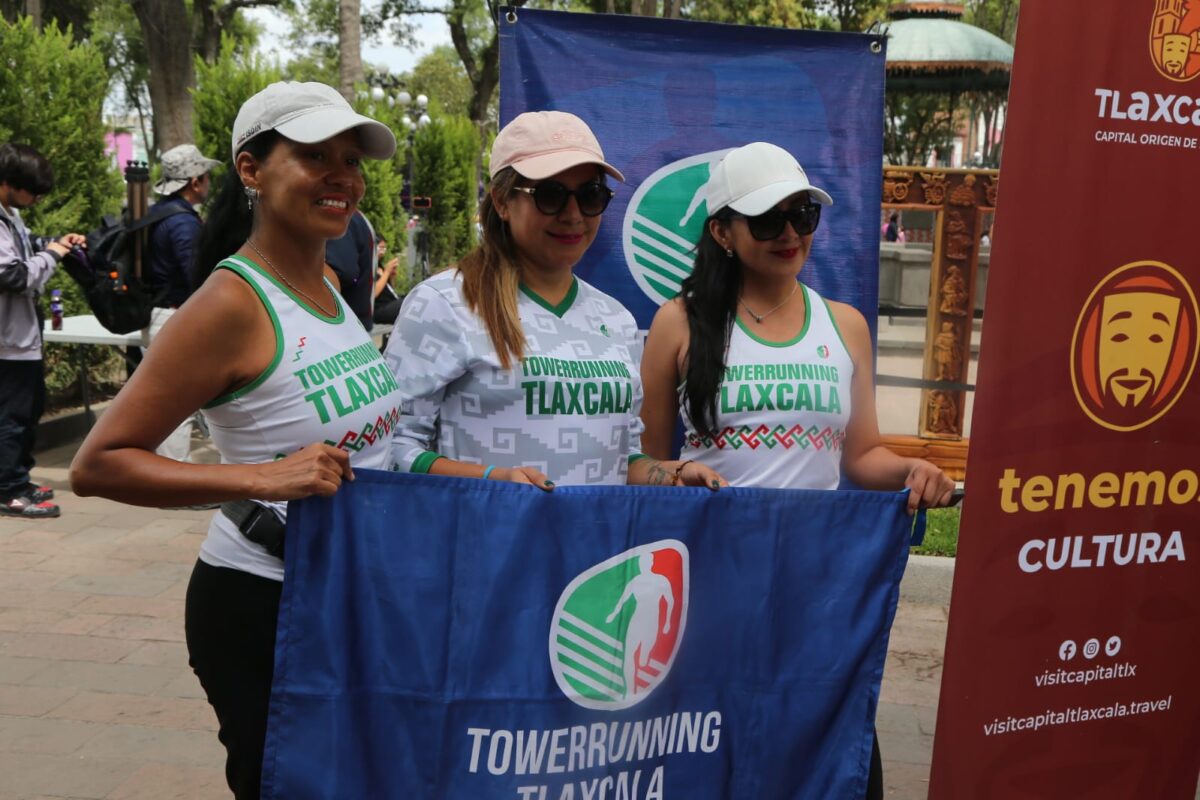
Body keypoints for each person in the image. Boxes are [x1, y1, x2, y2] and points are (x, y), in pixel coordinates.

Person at [69, 81, 398, 799]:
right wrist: (259, 477)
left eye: (351, 158)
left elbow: (367, 445)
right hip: (261, 601)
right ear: (250, 170)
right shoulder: (227, 303)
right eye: (314, 155)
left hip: (345, 589)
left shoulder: (329, 285)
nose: (342, 175)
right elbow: (97, 466)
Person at [638, 142, 956, 800]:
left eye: (802, 215)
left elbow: (862, 456)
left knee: (830, 747)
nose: (789, 234)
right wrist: (673, 477)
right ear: (722, 232)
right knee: (715, 753)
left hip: (819, 591)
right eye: (766, 220)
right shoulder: (676, 325)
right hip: (710, 590)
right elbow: (638, 463)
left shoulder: (845, 326)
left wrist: (913, 472)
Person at [385, 110, 724, 490]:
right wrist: (494, 480)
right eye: (550, 195)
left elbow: (622, 457)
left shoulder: (616, 319)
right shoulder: (443, 303)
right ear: (501, 201)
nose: (573, 214)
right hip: (489, 544)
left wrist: (672, 474)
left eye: (590, 195)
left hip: (599, 548)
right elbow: (391, 449)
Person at [0, 143, 87, 518]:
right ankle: (8, 491)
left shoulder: (10, 214)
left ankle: (18, 479)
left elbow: (27, 245)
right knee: (11, 420)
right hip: (6, 342)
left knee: (28, 411)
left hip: (22, 338)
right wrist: (51, 254)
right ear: (7, 183)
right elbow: (15, 275)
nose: (35, 198)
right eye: (31, 191)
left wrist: (54, 242)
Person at [146, 143, 221, 461]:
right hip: (175, 317)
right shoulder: (183, 223)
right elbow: (197, 277)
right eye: (206, 176)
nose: (208, 183)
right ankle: (174, 477)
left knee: (167, 402)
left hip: (160, 314)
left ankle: (168, 473)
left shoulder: (156, 214)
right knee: (179, 404)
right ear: (195, 181)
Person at [325, 208, 376, 328]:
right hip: (352, 327)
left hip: (341, 331)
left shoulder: (341, 217)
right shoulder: (352, 217)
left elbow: (342, 273)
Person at [372, 236, 403, 325]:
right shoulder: (367, 268)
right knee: (408, 303)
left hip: (390, 303)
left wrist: (391, 276)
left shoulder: (380, 267)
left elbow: (390, 291)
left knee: (413, 296)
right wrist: (387, 272)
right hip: (379, 309)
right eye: (381, 248)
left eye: (384, 248)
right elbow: (373, 293)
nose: (383, 251)